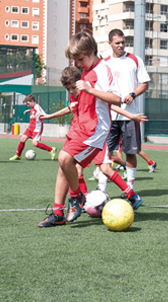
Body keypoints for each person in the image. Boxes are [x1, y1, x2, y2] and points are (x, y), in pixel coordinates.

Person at [42, 32, 121, 225]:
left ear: (91, 51)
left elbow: (117, 99)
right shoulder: (85, 70)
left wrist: (89, 89)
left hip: (95, 129)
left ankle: (77, 196)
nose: (77, 64)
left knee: (63, 158)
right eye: (75, 60)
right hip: (80, 127)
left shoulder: (104, 69)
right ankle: (58, 214)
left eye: (79, 59)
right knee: (63, 167)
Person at [104, 28, 151, 192]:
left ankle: (130, 187)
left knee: (130, 152)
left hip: (130, 115)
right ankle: (102, 189)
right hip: (108, 115)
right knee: (106, 153)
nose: (121, 46)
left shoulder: (134, 60)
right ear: (110, 44)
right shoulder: (104, 63)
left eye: (123, 42)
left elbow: (145, 84)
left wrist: (133, 94)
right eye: (117, 43)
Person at [9, 94, 56, 161]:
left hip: (37, 128)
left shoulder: (37, 107)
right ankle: (18, 155)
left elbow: (45, 115)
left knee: (34, 143)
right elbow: (34, 110)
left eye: (28, 104)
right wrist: (29, 110)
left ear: (32, 101)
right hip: (30, 127)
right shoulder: (33, 108)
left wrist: (36, 117)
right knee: (22, 139)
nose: (27, 105)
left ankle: (51, 149)